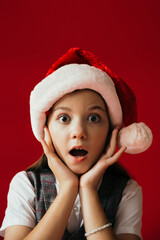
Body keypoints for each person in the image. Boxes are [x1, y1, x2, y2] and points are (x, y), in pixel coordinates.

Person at [0, 48, 153, 240]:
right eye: (64, 118)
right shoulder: (26, 185)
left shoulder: (127, 192)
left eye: (94, 118)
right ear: (45, 131)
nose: (79, 132)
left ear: (111, 132)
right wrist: (68, 188)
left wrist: (87, 189)